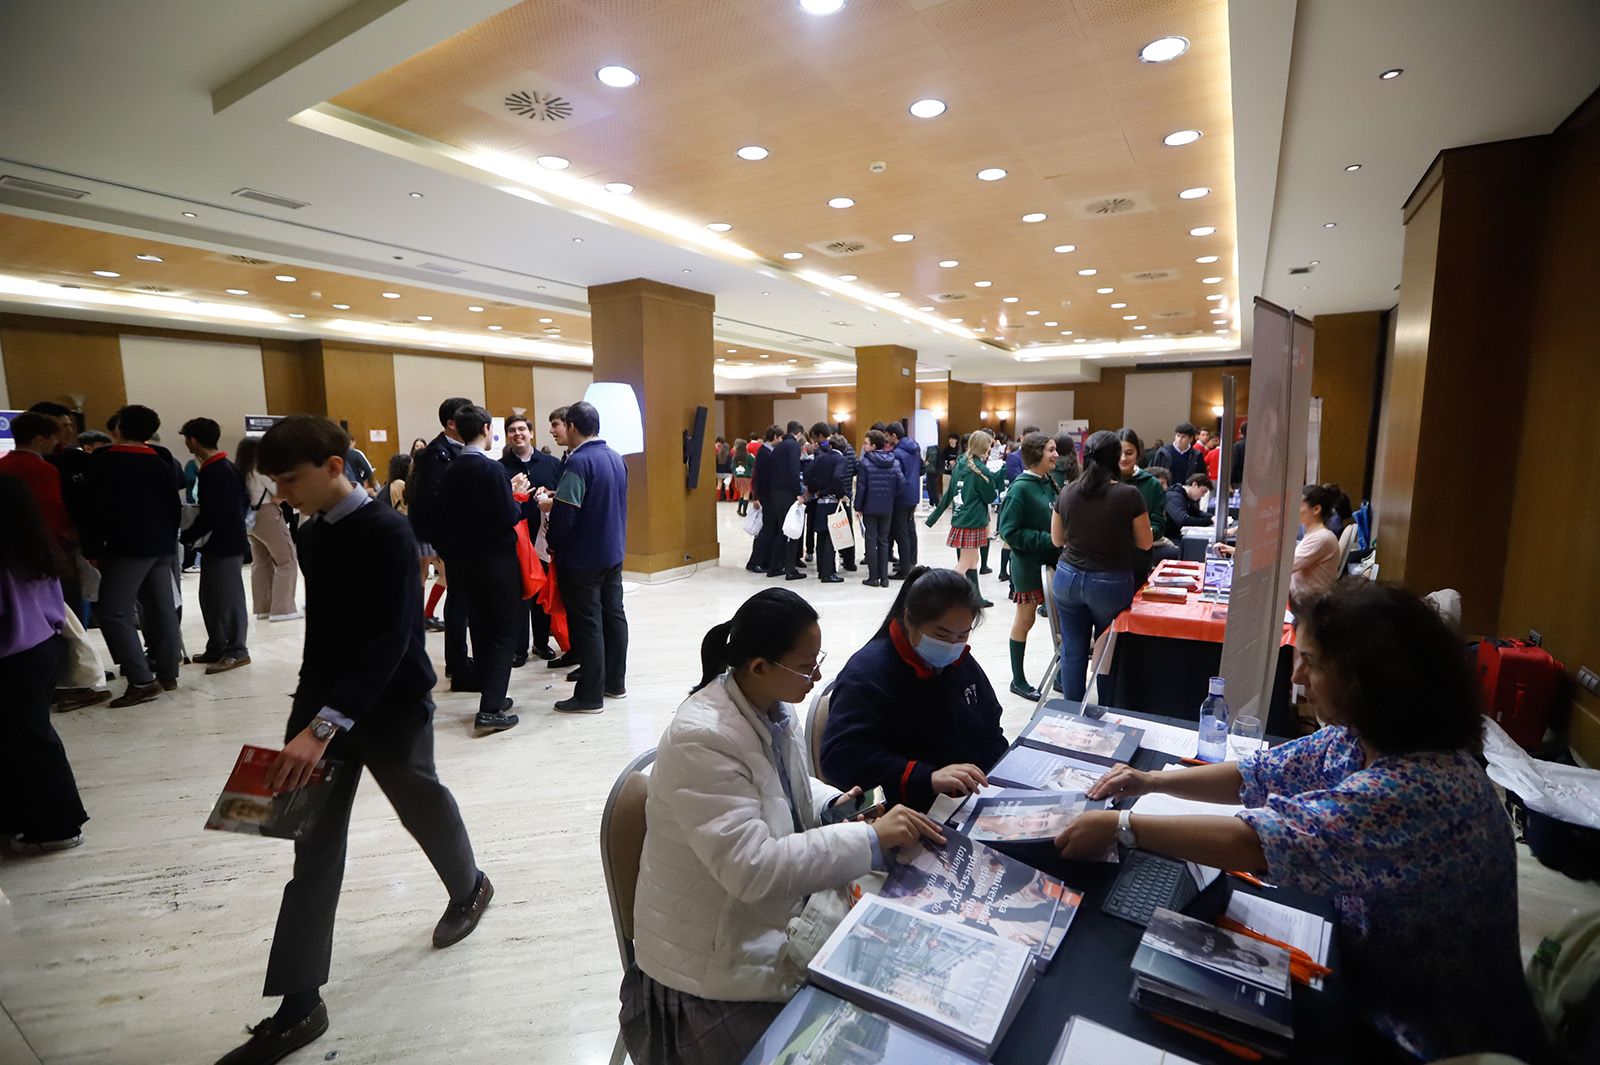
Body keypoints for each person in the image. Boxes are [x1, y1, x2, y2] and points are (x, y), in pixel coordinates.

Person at [1057, 581, 1549, 1063]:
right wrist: (1151, 783)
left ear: (1364, 680)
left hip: (1422, 1037)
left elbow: (1258, 843)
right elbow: (1258, 774)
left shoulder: (1419, 789)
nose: (1296, 678)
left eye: (1310, 662)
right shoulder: (1360, 736)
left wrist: (1126, 826)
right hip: (1369, 984)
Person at [217, 416, 492, 1065]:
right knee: (311, 848)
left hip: (392, 705)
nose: (282, 493)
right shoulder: (312, 534)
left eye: (290, 478)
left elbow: (390, 642)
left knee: (420, 801)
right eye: (274, 481)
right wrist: (302, 726)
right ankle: (299, 1002)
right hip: (329, 713)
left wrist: (320, 726)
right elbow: (326, 638)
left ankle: (469, 886)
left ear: (334, 465)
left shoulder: (389, 533)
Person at [622, 589, 945, 1065]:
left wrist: (832, 803)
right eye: (806, 666)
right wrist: (868, 839)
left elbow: (782, 787)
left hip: (767, 930)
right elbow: (753, 871)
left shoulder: (771, 707)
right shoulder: (702, 739)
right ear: (758, 666)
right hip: (706, 973)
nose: (816, 677)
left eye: (819, 661)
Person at [821, 567, 1009, 811]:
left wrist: (993, 775)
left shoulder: (959, 661)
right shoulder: (868, 674)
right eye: (941, 634)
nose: (952, 645)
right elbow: (841, 758)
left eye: (963, 635)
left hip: (967, 799)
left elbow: (990, 727)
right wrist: (928, 778)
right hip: (905, 810)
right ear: (909, 619)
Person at [0, 476, 89, 854]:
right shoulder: (35, 548)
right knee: (30, 738)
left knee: (27, 741)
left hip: (11, 658)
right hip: (41, 649)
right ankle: (32, 820)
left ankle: (56, 825)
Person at [82, 404, 183, 707]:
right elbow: (174, 504)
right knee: (160, 608)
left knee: (113, 611)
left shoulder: (104, 460)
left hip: (128, 546)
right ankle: (167, 673)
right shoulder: (162, 458)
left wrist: (93, 548)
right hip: (162, 544)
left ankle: (141, 680)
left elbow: (95, 509)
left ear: (119, 428)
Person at [438, 406, 527, 733]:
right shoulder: (491, 471)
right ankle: (490, 707)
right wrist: (517, 499)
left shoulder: (450, 471)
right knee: (505, 630)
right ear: (487, 429)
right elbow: (507, 516)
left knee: (480, 628)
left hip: (463, 563)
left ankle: (492, 695)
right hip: (496, 562)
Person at [541, 400, 629, 713]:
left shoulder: (578, 463)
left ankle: (590, 695)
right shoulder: (616, 458)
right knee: (614, 616)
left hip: (583, 557)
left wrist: (552, 539)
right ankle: (614, 683)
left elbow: (567, 514)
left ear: (574, 427)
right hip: (612, 551)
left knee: (588, 623)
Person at [1052, 430, 1152, 701]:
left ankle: (1073, 708)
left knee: (1072, 648)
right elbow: (1145, 542)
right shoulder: (1128, 495)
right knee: (1108, 648)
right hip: (1110, 582)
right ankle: (1107, 707)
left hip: (1067, 578)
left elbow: (1057, 538)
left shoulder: (1067, 491)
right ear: (1116, 458)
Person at [407, 397, 474, 688]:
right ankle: (457, 664)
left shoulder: (455, 451)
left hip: (455, 537)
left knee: (460, 598)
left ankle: (458, 660)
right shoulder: (438, 454)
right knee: (458, 599)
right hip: (447, 538)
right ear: (451, 423)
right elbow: (436, 499)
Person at [180, 417, 251, 674]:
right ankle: (217, 645)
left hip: (224, 544)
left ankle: (237, 650)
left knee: (228, 598)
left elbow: (214, 513)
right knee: (210, 597)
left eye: (187, 439)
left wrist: (189, 535)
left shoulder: (217, 470)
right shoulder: (220, 467)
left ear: (193, 440)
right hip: (218, 543)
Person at [996, 432, 1059, 700]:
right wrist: (1050, 540)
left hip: (1052, 563)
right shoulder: (1020, 488)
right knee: (1025, 620)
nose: (1056, 455)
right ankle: (1018, 680)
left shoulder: (1049, 482)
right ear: (1036, 455)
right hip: (1029, 565)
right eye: (1051, 450)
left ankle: (1063, 676)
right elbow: (1008, 532)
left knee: (1061, 623)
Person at [498, 413, 561, 665]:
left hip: (544, 538)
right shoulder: (501, 468)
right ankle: (519, 648)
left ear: (531, 433)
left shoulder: (551, 463)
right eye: (512, 430)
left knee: (542, 592)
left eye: (522, 429)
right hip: (515, 539)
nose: (518, 434)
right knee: (520, 595)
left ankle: (542, 642)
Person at [924, 429, 999, 606]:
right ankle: (942, 597)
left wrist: (932, 518)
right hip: (974, 521)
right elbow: (989, 497)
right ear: (985, 448)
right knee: (965, 562)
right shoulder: (981, 470)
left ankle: (976, 597)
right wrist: (995, 477)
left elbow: (949, 494)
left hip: (960, 518)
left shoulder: (960, 464)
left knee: (972, 561)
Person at [236, 437, 300, 623]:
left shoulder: (241, 471)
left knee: (261, 562)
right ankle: (283, 608)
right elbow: (280, 490)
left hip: (250, 519)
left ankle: (263, 608)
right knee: (286, 560)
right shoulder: (261, 470)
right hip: (267, 515)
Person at [853, 429, 902, 588]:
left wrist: (858, 506)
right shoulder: (893, 461)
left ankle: (873, 577)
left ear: (873, 446)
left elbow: (861, 487)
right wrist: (891, 495)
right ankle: (884, 578)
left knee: (871, 540)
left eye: (866, 443)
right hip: (887, 507)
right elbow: (901, 483)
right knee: (884, 541)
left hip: (870, 507)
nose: (863, 446)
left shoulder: (865, 463)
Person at [759, 422, 805, 581]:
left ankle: (774, 567)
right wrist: (798, 492)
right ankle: (790, 570)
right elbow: (793, 470)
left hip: (775, 493)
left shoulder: (779, 447)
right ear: (798, 433)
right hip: (787, 493)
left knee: (782, 530)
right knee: (792, 530)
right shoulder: (793, 446)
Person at [1291, 484, 1346, 610]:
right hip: (1302, 604)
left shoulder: (1322, 538)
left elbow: (1284, 567)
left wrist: (1236, 551)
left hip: (1310, 609)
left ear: (1316, 509)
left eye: (1299, 505)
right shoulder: (1314, 535)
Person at [802, 423, 846, 583]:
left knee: (821, 536)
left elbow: (807, 474)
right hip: (832, 502)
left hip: (819, 502)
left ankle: (821, 570)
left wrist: (815, 490)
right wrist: (841, 494)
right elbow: (837, 478)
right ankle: (828, 573)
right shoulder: (838, 458)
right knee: (829, 538)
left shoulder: (820, 457)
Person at [884, 422, 922, 577]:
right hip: (913, 495)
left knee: (901, 532)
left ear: (894, 436)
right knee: (909, 529)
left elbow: (896, 477)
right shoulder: (914, 449)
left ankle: (904, 568)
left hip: (901, 497)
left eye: (887, 436)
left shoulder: (898, 453)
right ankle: (910, 561)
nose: (886, 440)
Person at [746, 425, 780, 574]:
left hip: (767, 496)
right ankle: (756, 562)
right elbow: (760, 477)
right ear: (774, 437)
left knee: (769, 528)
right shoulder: (765, 453)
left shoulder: (766, 452)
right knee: (766, 530)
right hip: (766, 496)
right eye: (779, 437)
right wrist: (757, 497)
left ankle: (762, 560)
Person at [828, 432, 858, 573]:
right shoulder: (851, 452)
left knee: (835, 527)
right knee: (848, 528)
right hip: (847, 495)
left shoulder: (832, 457)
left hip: (836, 495)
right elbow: (856, 469)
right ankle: (849, 561)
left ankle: (835, 556)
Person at [1165, 472, 1215, 540]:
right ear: (1194, 484)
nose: (1203, 495)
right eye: (1203, 491)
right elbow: (1183, 519)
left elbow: (1196, 512)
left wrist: (1212, 517)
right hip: (1170, 536)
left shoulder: (1184, 497)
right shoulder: (1174, 497)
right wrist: (1209, 521)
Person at [731, 438, 753, 516]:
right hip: (746, 477)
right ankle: (744, 512)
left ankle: (739, 509)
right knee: (746, 494)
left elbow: (732, 467)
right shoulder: (748, 456)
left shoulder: (735, 456)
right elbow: (753, 464)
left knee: (741, 494)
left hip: (738, 477)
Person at [1231, 420, 1247, 489]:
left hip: (1239, 479)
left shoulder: (1237, 446)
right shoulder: (1259, 445)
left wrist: (1230, 480)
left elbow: (1234, 463)